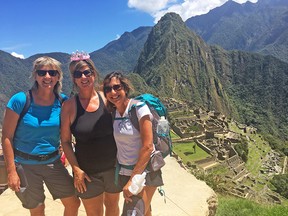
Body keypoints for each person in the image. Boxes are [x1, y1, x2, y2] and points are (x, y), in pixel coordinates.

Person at [1, 56, 80, 216]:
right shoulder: (20, 100)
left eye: (52, 72)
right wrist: (11, 171)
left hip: (53, 162)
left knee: (73, 202)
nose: (47, 77)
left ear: (58, 77)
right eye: (42, 72)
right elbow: (7, 137)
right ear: (35, 75)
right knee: (37, 210)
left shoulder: (63, 101)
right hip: (25, 164)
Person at [61, 51, 121, 216]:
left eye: (87, 72)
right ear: (74, 79)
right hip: (87, 173)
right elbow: (65, 141)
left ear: (94, 74)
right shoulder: (69, 107)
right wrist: (76, 169)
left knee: (113, 208)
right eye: (78, 74)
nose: (83, 77)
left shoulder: (107, 99)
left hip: (113, 168)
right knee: (94, 213)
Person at [102, 71, 164, 216]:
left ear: (125, 88)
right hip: (124, 172)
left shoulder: (139, 108)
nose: (113, 92)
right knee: (144, 210)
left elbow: (147, 147)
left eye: (117, 87)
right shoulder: (113, 113)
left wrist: (132, 180)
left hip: (145, 173)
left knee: (132, 213)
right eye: (108, 89)